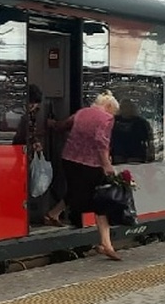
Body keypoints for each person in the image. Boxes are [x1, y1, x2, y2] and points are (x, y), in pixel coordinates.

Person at [46, 91, 122, 259]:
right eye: (113, 111)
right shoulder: (106, 119)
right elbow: (101, 142)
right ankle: (106, 244)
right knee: (100, 201)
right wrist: (107, 165)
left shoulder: (81, 113)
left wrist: (51, 124)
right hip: (91, 163)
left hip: (69, 159)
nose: (113, 115)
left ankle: (53, 213)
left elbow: (64, 125)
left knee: (76, 191)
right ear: (109, 107)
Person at [110, 100, 153, 164]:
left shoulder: (141, 122)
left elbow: (149, 139)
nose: (126, 109)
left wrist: (150, 152)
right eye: (123, 107)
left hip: (136, 153)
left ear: (132, 108)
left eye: (128, 107)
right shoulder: (113, 121)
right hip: (117, 153)